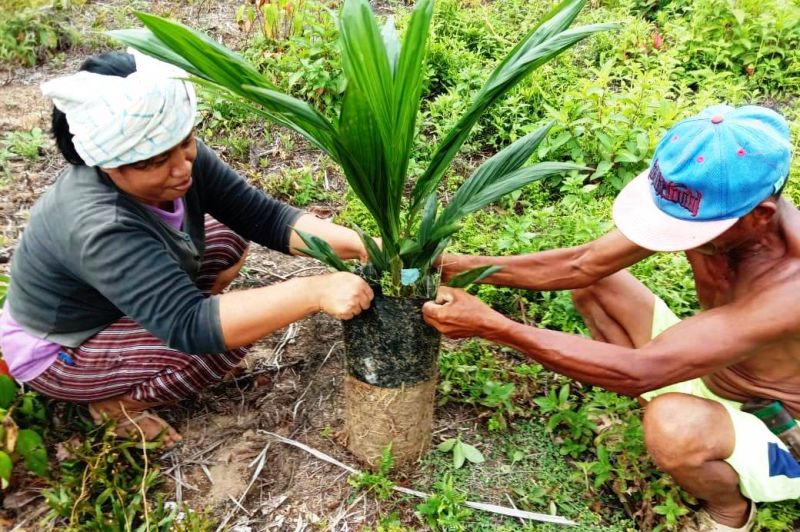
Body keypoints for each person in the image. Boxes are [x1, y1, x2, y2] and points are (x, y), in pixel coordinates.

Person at [423, 104, 799, 531]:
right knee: (595, 284)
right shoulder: (715, 210)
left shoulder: (790, 290)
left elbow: (642, 370)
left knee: (671, 424)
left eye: (692, 234)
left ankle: (729, 510)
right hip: (713, 364)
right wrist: (450, 265)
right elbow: (582, 265)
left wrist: (494, 326)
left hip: (782, 429)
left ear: (760, 216)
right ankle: (679, 421)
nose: (682, 240)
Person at [0, 51, 374, 447]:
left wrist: (368, 246)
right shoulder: (99, 225)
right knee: (218, 343)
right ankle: (117, 405)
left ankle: (157, 337)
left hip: (113, 300)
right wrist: (314, 291)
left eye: (186, 142)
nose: (182, 168)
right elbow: (190, 325)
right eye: (156, 161)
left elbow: (264, 218)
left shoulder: (173, 152)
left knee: (229, 238)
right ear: (108, 164)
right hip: (60, 347)